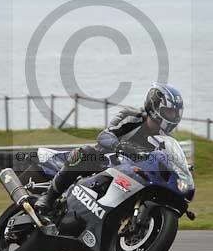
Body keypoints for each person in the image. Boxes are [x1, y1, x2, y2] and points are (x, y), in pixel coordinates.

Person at [34, 82, 184, 214]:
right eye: (169, 112)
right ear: (155, 106)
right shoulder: (132, 117)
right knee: (85, 153)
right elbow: (104, 135)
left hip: (132, 175)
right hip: (104, 162)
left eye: (175, 113)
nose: (172, 117)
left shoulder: (167, 140)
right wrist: (119, 145)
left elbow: (167, 160)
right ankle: (48, 197)